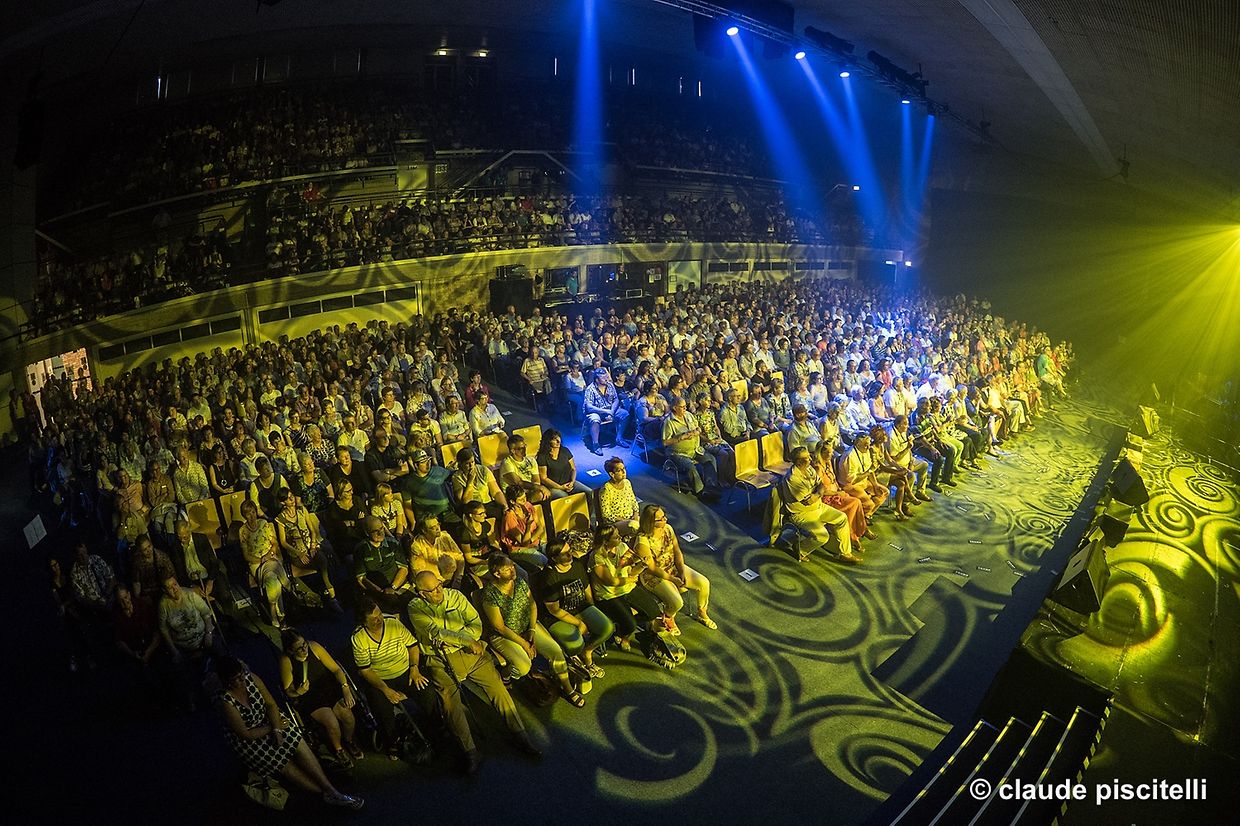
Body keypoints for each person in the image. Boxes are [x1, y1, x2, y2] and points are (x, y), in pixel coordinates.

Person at [407, 571, 541, 773]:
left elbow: (475, 623)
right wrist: (464, 639)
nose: (438, 591)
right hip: (441, 660)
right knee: (451, 705)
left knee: (498, 689)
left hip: (472, 653)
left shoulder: (455, 596)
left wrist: (464, 641)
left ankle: (519, 734)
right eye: (432, 590)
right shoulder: (415, 607)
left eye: (439, 585)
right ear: (421, 593)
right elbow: (435, 631)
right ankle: (470, 751)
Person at [215, 657, 363, 809]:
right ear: (227, 682)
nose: (242, 680)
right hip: (251, 739)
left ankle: (330, 789)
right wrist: (272, 728)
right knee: (282, 762)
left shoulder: (251, 678)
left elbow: (271, 704)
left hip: (269, 720)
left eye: (242, 674)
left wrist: (277, 729)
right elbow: (245, 734)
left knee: (297, 742)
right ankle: (324, 793)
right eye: (237, 679)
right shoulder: (226, 701)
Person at [478, 554, 581, 707]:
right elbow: (499, 627)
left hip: (527, 626)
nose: (513, 570)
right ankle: (505, 674)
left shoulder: (519, 582)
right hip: (504, 635)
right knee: (523, 667)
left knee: (556, 652)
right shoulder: (490, 594)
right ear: (497, 574)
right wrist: (524, 643)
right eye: (507, 569)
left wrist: (532, 629)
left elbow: (532, 605)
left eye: (512, 566)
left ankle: (568, 689)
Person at [351, 595, 435, 760]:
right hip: (381, 678)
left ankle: (433, 727)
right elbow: (365, 670)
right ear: (363, 622)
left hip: (405, 670)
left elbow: (412, 646)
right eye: (374, 619)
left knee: (428, 692)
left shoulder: (392, 623)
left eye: (379, 614)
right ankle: (393, 742)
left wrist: (414, 668)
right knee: (382, 708)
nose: (379, 620)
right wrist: (386, 689)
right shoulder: (358, 638)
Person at [279, 629, 364, 768]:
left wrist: (345, 687)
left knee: (348, 716)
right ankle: (339, 750)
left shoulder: (314, 647)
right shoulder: (286, 661)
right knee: (332, 723)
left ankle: (348, 740)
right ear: (290, 651)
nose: (304, 649)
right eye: (299, 648)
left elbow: (336, 669)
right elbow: (288, 690)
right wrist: (299, 691)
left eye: (304, 644)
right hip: (311, 697)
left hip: (328, 689)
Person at [534, 537, 614, 680]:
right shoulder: (549, 577)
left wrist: (591, 606)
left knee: (607, 627)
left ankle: (587, 652)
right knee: (575, 644)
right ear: (554, 558)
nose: (570, 555)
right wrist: (579, 623)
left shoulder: (576, 565)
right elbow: (554, 610)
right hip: (557, 617)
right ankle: (574, 657)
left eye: (570, 551)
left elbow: (586, 587)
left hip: (580, 607)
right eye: (564, 553)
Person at [634, 504, 716, 633]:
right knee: (677, 602)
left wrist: (681, 570)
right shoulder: (642, 541)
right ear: (650, 522)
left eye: (664, 516)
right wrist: (673, 579)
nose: (665, 519)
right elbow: (652, 568)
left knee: (703, 583)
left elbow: (677, 551)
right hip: (654, 576)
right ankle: (668, 617)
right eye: (660, 519)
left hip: (671, 566)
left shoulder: (668, 529)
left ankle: (702, 612)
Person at [591, 525, 663, 652]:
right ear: (605, 541)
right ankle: (624, 633)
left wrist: (642, 566)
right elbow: (611, 581)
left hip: (627, 588)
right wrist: (630, 580)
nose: (620, 537)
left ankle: (622, 625)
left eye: (619, 534)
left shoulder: (622, 547)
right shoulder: (597, 557)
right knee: (630, 625)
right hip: (609, 595)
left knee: (653, 612)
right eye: (616, 537)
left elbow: (631, 572)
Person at [781, 447, 859, 563]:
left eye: (809, 456)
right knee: (822, 536)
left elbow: (821, 485)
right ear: (799, 462)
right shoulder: (792, 479)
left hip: (818, 507)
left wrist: (817, 493)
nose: (810, 458)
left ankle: (845, 553)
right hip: (802, 513)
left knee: (842, 518)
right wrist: (819, 492)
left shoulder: (809, 469)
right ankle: (801, 549)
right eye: (807, 458)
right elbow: (809, 501)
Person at [273, 488, 340, 612]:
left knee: (323, 561)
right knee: (321, 565)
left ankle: (329, 595)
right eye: (288, 498)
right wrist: (298, 553)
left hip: (311, 547)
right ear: (283, 502)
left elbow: (312, 531)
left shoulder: (302, 510)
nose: (292, 499)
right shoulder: (281, 519)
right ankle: (330, 595)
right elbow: (283, 542)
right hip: (297, 553)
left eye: (292, 495)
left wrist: (313, 544)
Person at [238, 498, 294, 628]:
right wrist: (262, 560)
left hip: (271, 556)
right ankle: (287, 588)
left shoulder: (264, 523)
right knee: (273, 576)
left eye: (253, 512)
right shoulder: (242, 531)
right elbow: (246, 556)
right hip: (256, 563)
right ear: (244, 515)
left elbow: (274, 543)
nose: (252, 516)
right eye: (248, 514)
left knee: (272, 577)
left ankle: (274, 611)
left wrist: (270, 554)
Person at [662, 396, 720, 498]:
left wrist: (697, 431)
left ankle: (711, 487)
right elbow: (665, 442)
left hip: (695, 450)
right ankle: (700, 491)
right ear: (675, 408)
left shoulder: (688, 415)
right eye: (682, 407)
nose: (685, 408)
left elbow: (698, 428)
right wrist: (681, 437)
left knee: (710, 459)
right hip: (678, 453)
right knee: (690, 467)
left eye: (685, 406)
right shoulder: (669, 422)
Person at [354, 517, 413, 614]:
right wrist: (380, 591)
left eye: (381, 528)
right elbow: (361, 578)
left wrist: (393, 587)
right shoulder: (361, 549)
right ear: (367, 532)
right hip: (377, 591)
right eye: (375, 531)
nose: (380, 533)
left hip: (399, 585)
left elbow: (403, 568)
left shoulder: (392, 543)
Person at [166, 518, 227, 604]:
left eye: (184, 537)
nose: (182, 540)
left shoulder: (201, 539)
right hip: (192, 581)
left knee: (224, 593)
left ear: (189, 532)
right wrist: (192, 586)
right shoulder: (175, 547)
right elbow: (180, 571)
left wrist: (211, 581)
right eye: (179, 537)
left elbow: (214, 562)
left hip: (208, 576)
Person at [500, 485, 549, 572]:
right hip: (519, 549)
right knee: (544, 561)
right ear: (512, 501)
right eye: (521, 499)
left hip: (535, 542)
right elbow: (524, 543)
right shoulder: (510, 517)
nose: (524, 500)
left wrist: (531, 540)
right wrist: (528, 525)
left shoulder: (528, 506)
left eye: (525, 497)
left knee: (553, 553)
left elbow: (540, 528)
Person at [449, 447, 506, 520]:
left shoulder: (483, 470)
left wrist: (505, 506)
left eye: (472, 462)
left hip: (488, 504)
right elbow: (465, 501)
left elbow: (496, 492)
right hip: (473, 509)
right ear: (461, 463)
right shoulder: (456, 477)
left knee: (504, 514)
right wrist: (470, 482)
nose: (471, 466)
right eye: (467, 463)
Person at [409, 514, 465, 587]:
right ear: (424, 531)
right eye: (433, 527)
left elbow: (460, 558)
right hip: (433, 585)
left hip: (453, 580)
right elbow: (420, 573)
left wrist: (458, 579)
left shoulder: (445, 536)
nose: (437, 528)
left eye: (438, 525)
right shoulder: (417, 546)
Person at [583, 369, 628, 454]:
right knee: (594, 419)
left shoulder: (610, 385)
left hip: (610, 410)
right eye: (603, 378)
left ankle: (619, 438)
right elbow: (589, 407)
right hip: (596, 411)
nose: (606, 379)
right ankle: (596, 444)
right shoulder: (590, 389)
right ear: (597, 379)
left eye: (606, 377)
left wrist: (612, 411)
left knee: (624, 414)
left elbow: (616, 399)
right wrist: (606, 411)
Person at [535, 429, 590, 499]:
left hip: (569, 483)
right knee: (564, 497)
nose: (558, 441)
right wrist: (560, 487)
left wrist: (572, 482)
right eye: (554, 439)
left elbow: (573, 469)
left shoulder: (565, 451)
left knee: (588, 491)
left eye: (558, 438)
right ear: (548, 441)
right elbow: (543, 478)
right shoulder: (542, 457)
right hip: (553, 487)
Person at [596, 457, 640, 535]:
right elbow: (606, 515)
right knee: (634, 525)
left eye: (624, 468)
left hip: (631, 518)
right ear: (612, 474)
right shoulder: (606, 489)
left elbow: (634, 501)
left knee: (650, 520)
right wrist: (625, 521)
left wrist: (636, 514)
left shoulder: (627, 483)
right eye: (620, 470)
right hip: (616, 523)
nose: (624, 472)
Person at [500, 434, 548, 504]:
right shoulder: (507, 463)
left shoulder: (531, 460)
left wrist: (538, 488)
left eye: (525, 446)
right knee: (541, 494)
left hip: (530, 491)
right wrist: (539, 487)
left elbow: (536, 479)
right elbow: (519, 483)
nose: (525, 449)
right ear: (513, 451)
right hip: (516, 495)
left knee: (545, 494)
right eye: (521, 448)